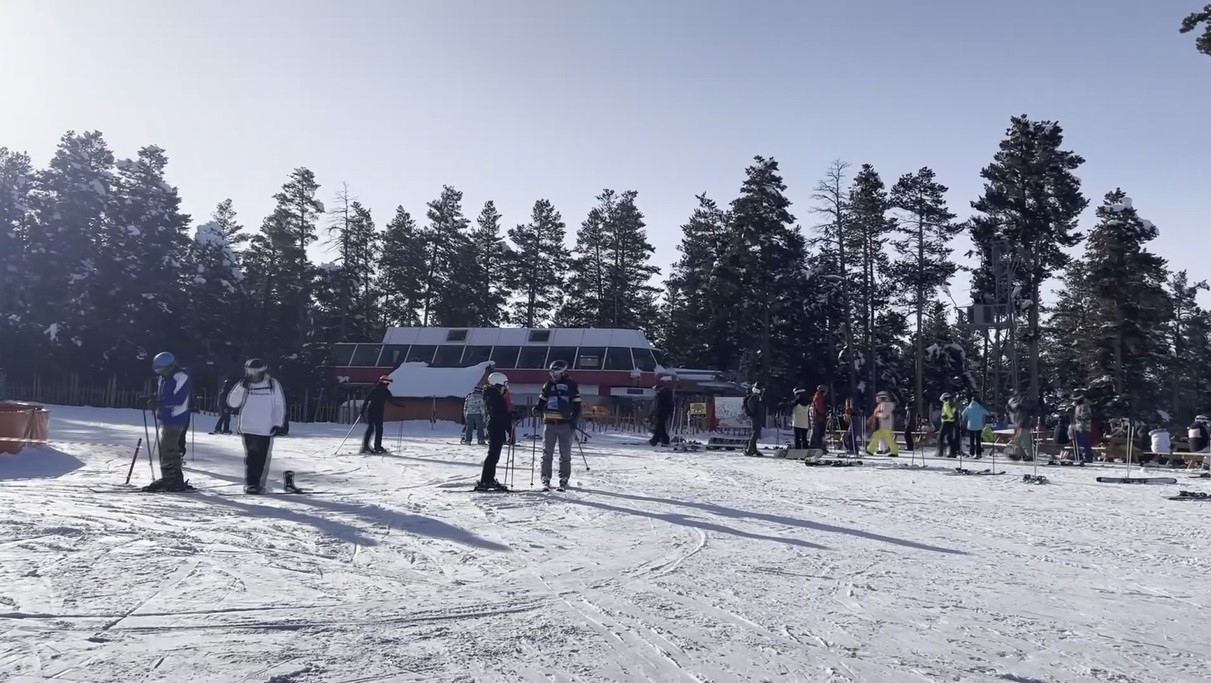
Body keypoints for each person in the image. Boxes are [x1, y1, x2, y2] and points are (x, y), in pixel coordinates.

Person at [225, 358, 286, 493]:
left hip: (265, 428)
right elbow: (232, 402)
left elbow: (279, 405)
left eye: (254, 371)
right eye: (249, 371)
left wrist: (277, 423)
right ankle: (251, 483)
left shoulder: (272, 384)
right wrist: (241, 388)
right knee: (252, 456)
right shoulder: (244, 385)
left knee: (261, 457)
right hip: (248, 427)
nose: (252, 374)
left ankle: (256, 482)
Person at [144, 351, 192, 492]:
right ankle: (171, 477)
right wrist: (153, 399)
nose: (160, 372)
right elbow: (164, 395)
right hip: (166, 417)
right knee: (166, 448)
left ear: (170, 366)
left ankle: (172, 480)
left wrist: (160, 402)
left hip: (177, 417)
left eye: (162, 369)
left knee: (168, 448)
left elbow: (179, 399)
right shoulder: (164, 378)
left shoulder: (181, 376)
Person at [533, 360, 582, 489]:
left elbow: (577, 405)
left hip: (566, 424)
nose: (552, 375)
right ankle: (545, 477)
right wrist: (537, 408)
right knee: (547, 452)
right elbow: (542, 400)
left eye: (554, 373)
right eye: (551, 372)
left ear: (562, 372)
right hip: (549, 423)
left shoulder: (571, 385)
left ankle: (564, 477)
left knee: (565, 453)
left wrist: (575, 419)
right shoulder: (548, 385)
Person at [476, 372, 516, 491]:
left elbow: (502, 412)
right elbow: (499, 413)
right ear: (497, 383)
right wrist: (508, 418)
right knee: (493, 454)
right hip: (495, 426)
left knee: (494, 455)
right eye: (503, 384)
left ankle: (489, 479)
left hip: (496, 425)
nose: (505, 387)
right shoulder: (493, 396)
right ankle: (485, 480)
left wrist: (510, 417)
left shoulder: (494, 394)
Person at [361, 376, 402, 454]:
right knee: (371, 428)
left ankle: (377, 446)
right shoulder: (375, 390)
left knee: (379, 429)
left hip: (379, 412)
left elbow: (391, 401)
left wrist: (400, 406)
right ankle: (365, 446)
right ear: (384, 382)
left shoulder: (386, 391)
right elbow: (367, 399)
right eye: (387, 382)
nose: (388, 384)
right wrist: (362, 411)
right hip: (372, 411)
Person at [865, 391, 899, 457]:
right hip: (886, 425)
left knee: (876, 436)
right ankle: (894, 451)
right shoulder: (887, 404)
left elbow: (885, 415)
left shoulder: (884, 405)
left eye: (878, 398)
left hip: (884, 425)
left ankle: (870, 450)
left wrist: (877, 414)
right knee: (888, 439)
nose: (877, 399)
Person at [649, 376, 674, 447]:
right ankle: (664, 439)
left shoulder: (663, 394)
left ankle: (655, 439)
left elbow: (659, 404)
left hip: (663, 411)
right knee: (661, 426)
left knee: (659, 425)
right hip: (662, 410)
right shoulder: (665, 393)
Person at [742, 383, 765, 457]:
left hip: (756, 418)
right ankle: (750, 449)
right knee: (755, 434)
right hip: (756, 418)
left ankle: (753, 449)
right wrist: (756, 415)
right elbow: (753, 409)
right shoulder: (754, 398)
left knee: (755, 433)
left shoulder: (756, 397)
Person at [1071, 395, 1096, 463]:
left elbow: (1087, 415)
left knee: (1085, 441)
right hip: (1078, 425)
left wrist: (1079, 417)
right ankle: (1079, 455)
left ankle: (1088, 456)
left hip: (1084, 426)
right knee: (1079, 441)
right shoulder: (1078, 406)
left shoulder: (1085, 405)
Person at [937, 393, 960, 458]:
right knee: (949, 438)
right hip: (951, 422)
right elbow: (953, 410)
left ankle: (940, 452)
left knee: (940, 437)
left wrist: (947, 416)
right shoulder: (952, 403)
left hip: (946, 421)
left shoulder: (947, 403)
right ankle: (952, 452)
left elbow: (948, 412)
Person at [810, 385, 828, 451]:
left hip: (818, 417)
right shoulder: (819, 397)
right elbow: (820, 408)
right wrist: (824, 412)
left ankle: (816, 444)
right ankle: (816, 445)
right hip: (819, 418)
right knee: (819, 432)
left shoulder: (818, 396)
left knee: (817, 432)